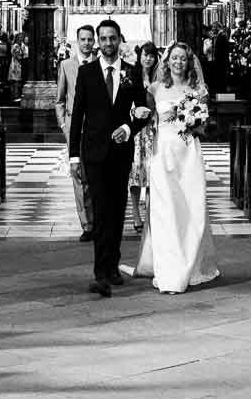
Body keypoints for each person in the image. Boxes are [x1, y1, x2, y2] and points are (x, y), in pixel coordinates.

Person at [126, 39, 219, 294]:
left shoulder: (198, 89)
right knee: (164, 210)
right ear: (167, 61)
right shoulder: (155, 88)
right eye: (174, 57)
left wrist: (193, 121)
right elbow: (146, 119)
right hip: (162, 153)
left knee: (191, 208)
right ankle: (169, 270)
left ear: (189, 62)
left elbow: (205, 127)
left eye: (183, 58)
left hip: (188, 154)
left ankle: (190, 263)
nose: (178, 62)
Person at [68, 18, 153, 296]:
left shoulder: (131, 73)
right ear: (98, 41)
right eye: (102, 38)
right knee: (101, 211)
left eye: (112, 38)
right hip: (93, 152)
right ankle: (100, 272)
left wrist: (129, 127)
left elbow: (143, 111)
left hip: (120, 153)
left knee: (117, 211)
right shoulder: (87, 72)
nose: (107, 43)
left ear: (119, 40)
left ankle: (113, 265)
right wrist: (73, 156)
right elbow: (77, 114)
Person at [54, 23, 98, 242]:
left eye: (90, 39)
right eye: (83, 39)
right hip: (75, 130)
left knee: (96, 176)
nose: (87, 43)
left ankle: (97, 219)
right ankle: (86, 224)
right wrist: (64, 125)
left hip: (97, 129)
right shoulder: (66, 65)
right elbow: (59, 100)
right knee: (78, 176)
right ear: (77, 41)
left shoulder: (100, 64)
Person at [127, 41, 161, 231]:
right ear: (140, 57)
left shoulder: (159, 77)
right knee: (136, 172)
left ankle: (150, 213)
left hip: (154, 128)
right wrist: (134, 112)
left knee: (152, 173)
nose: (148, 58)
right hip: (138, 131)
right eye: (145, 55)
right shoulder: (132, 75)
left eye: (151, 55)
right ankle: (135, 214)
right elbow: (125, 100)